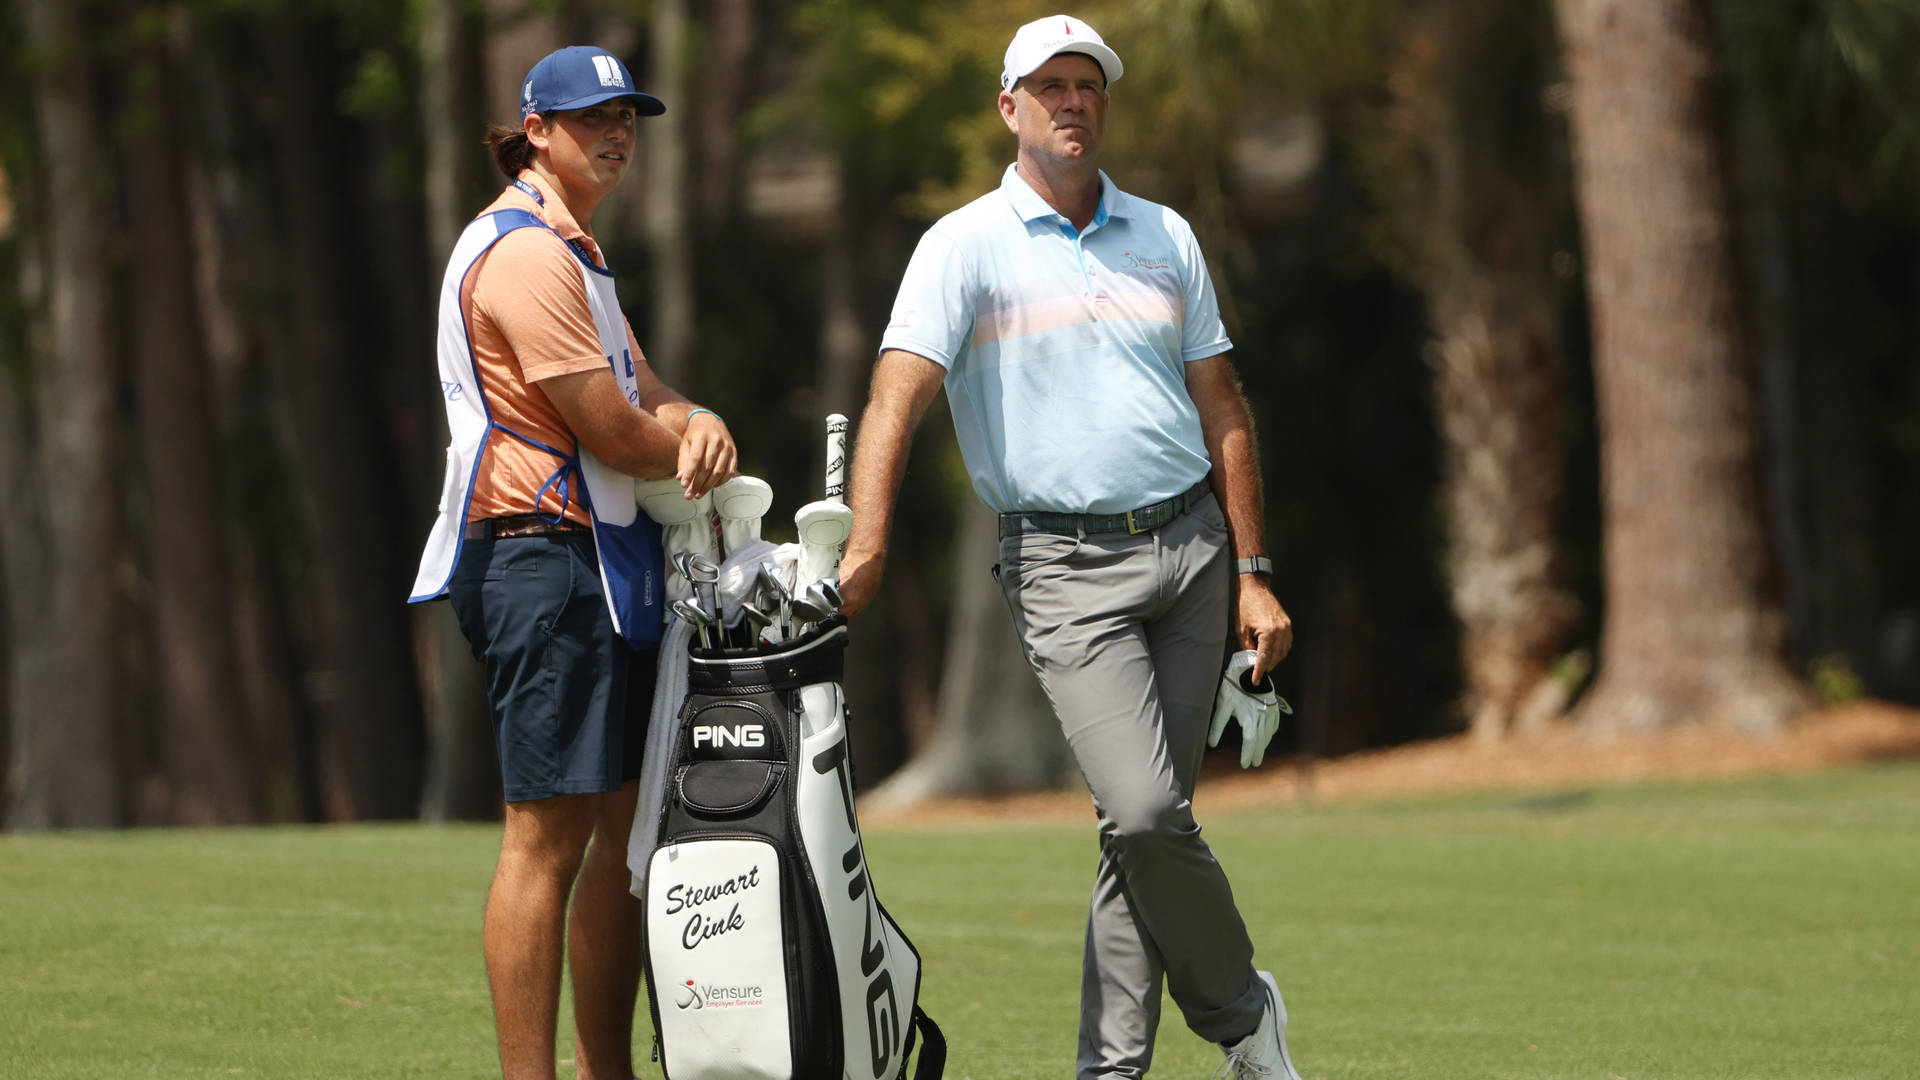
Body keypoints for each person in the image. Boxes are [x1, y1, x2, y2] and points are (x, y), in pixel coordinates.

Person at [838, 15, 1303, 1080]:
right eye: (1048, 86)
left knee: (1136, 830)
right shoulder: (961, 246)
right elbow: (893, 401)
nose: (1072, 102)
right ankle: (1242, 1011)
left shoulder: (1165, 235)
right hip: (1061, 569)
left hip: (1190, 555)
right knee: (1143, 811)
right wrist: (867, 543)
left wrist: (1256, 574)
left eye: (1088, 86)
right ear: (1010, 109)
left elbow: (1224, 409)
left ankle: (1110, 1072)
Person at [407, 46, 736, 1080]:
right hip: (538, 559)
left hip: (595, 560)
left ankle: (606, 1070)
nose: (618, 132)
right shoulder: (525, 253)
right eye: (594, 115)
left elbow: (645, 389)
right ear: (537, 130)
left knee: (621, 830)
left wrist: (703, 420)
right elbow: (607, 427)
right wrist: (686, 443)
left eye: (629, 115)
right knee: (544, 836)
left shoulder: (578, 252)